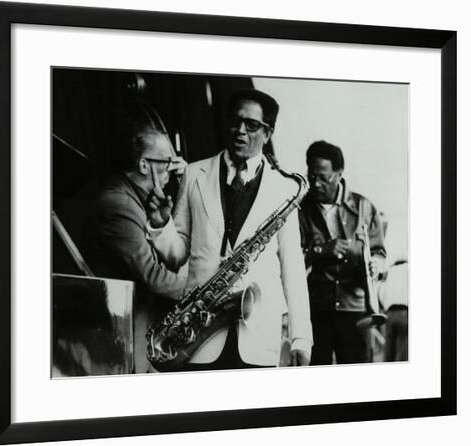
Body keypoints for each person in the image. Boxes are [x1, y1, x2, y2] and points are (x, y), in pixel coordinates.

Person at [147, 89, 313, 370]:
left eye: (252, 125)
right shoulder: (194, 174)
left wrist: (301, 340)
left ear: (268, 133)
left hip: (258, 336)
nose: (240, 131)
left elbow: (293, 271)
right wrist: (161, 224)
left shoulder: (284, 188)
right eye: (236, 122)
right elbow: (177, 256)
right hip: (198, 336)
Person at [82, 125, 187, 373]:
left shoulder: (135, 199)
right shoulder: (119, 205)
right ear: (143, 166)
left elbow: (167, 263)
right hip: (120, 342)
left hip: (137, 334)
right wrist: (199, 288)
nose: (172, 171)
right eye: (167, 163)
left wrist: (160, 222)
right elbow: (153, 276)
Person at [298, 140, 387, 365]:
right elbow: (291, 260)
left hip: (356, 310)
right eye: (311, 176)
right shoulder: (300, 209)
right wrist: (320, 250)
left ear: (339, 174)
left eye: (323, 177)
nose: (315, 184)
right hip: (317, 309)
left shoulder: (365, 207)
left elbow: (380, 253)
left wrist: (376, 264)